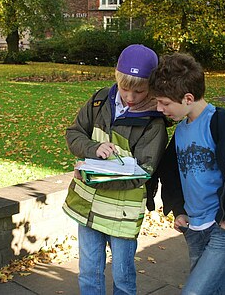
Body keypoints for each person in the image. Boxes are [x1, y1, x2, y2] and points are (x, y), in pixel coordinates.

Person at [149, 52, 225, 295]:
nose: (159, 108)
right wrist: (178, 209)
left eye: (164, 103)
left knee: (194, 293)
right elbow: (170, 173)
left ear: (188, 98)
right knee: (209, 290)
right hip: (194, 228)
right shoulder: (181, 129)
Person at [62, 44, 168, 294]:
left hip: (122, 212)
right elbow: (74, 133)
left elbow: (143, 171)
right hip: (87, 206)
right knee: (89, 272)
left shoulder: (154, 123)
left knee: (123, 277)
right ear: (116, 79)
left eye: (139, 91)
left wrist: (93, 174)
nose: (130, 97)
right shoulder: (100, 101)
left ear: (151, 86)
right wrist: (92, 148)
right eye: (124, 88)